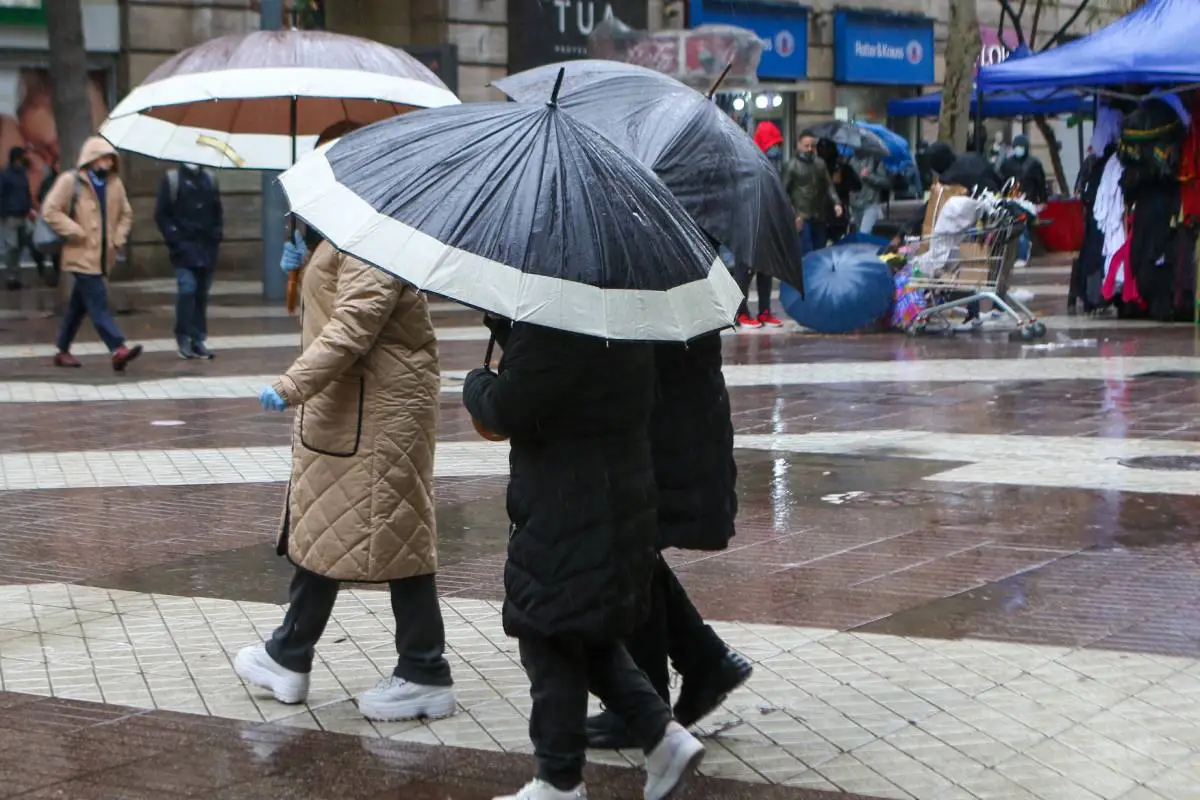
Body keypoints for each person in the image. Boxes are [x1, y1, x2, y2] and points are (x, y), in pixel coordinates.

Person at [235, 120, 455, 723]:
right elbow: (335, 311)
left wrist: (290, 384)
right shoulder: (346, 230)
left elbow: (354, 325)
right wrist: (304, 264)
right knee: (333, 527)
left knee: (394, 534)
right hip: (354, 408)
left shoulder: (369, 232)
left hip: (376, 412)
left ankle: (424, 669)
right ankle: (291, 653)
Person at [464, 319, 705, 800]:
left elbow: (511, 406)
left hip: (567, 506)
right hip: (614, 493)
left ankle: (558, 780)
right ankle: (663, 736)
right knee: (583, 631)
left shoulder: (553, 318)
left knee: (546, 634)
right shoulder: (621, 312)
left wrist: (477, 384)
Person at [585, 316, 753, 750]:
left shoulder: (637, 269)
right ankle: (702, 660)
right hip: (673, 417)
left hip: (658, 425)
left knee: (630, 546)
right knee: (633, 548)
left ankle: (647, 702)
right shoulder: (668, 260)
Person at [41, 137, 141, 371]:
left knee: (78, 306)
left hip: (103, 257)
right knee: (98, 302)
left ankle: (62, 349)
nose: (107, 162)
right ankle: (118, 348)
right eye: (103, 157)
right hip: (80, 255)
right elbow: (50, 210)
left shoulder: (115, 184)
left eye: (110, 158)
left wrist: (119, 238)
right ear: (91, 159)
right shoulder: (70, 181)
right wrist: (75, 230)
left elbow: (127, 214)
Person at [155, 162, 223, 359]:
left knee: (201, 293)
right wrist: (174, 238)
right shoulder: (173, 179)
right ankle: (183, 337)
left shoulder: (209, 179)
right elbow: (162, 214)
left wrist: (216, 235)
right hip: (183, 248)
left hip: (206, 247)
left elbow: (217, 210)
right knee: (187, 289)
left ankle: (198, 339)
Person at [734, 121, 787, 329]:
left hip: (767, 222)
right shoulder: (749, 162)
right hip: (747, 223)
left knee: (766, 268)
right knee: (744, 269)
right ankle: (740, 311)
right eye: (772, 143)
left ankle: (764, 310)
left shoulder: (771, 165)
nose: (776, 149)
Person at [782, 130, 842, 255]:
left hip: (819, 215)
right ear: (799, 145)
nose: (810, 149)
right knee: (806, 252)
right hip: (802, 216)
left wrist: (836, 203)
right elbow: (783, 193)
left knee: (819, 250)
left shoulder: (820, 164)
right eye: (806, 146)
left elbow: (828, 185)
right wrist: (794, 215)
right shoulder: (791, 166)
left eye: (812, 146)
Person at [999, 134, 1047, 266]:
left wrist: (1042, 200)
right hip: (1011, 200)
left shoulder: (1034, 164)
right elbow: (1002, 181)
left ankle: (1022, 253)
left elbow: (1040, 183)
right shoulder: (1007, 164)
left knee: (1022, 224)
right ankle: (1020, 252)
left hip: (1028, 201)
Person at [0, 146, 34, 290]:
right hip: (10, 216)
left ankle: (15, 275)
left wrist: (28, 208)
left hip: (23, 215)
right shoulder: (5, 175)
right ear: (17, 159)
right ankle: (10, 278)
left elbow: (26, 193)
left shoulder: (22, 174)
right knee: (11, 247)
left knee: (21, 246)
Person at [818, 138, 860, 243]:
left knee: (838, 241)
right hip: (820, 213)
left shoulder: (842, 168)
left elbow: (857, 186)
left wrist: (842, 182)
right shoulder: (816, 167)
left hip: (838, 215)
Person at [849, 151, 891, 236]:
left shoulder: (876, 160)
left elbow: (886, 182)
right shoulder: (850, 160)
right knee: (860, 236)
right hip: (855, 204)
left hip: (871, 203)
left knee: (864, 234)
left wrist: (869, 176)